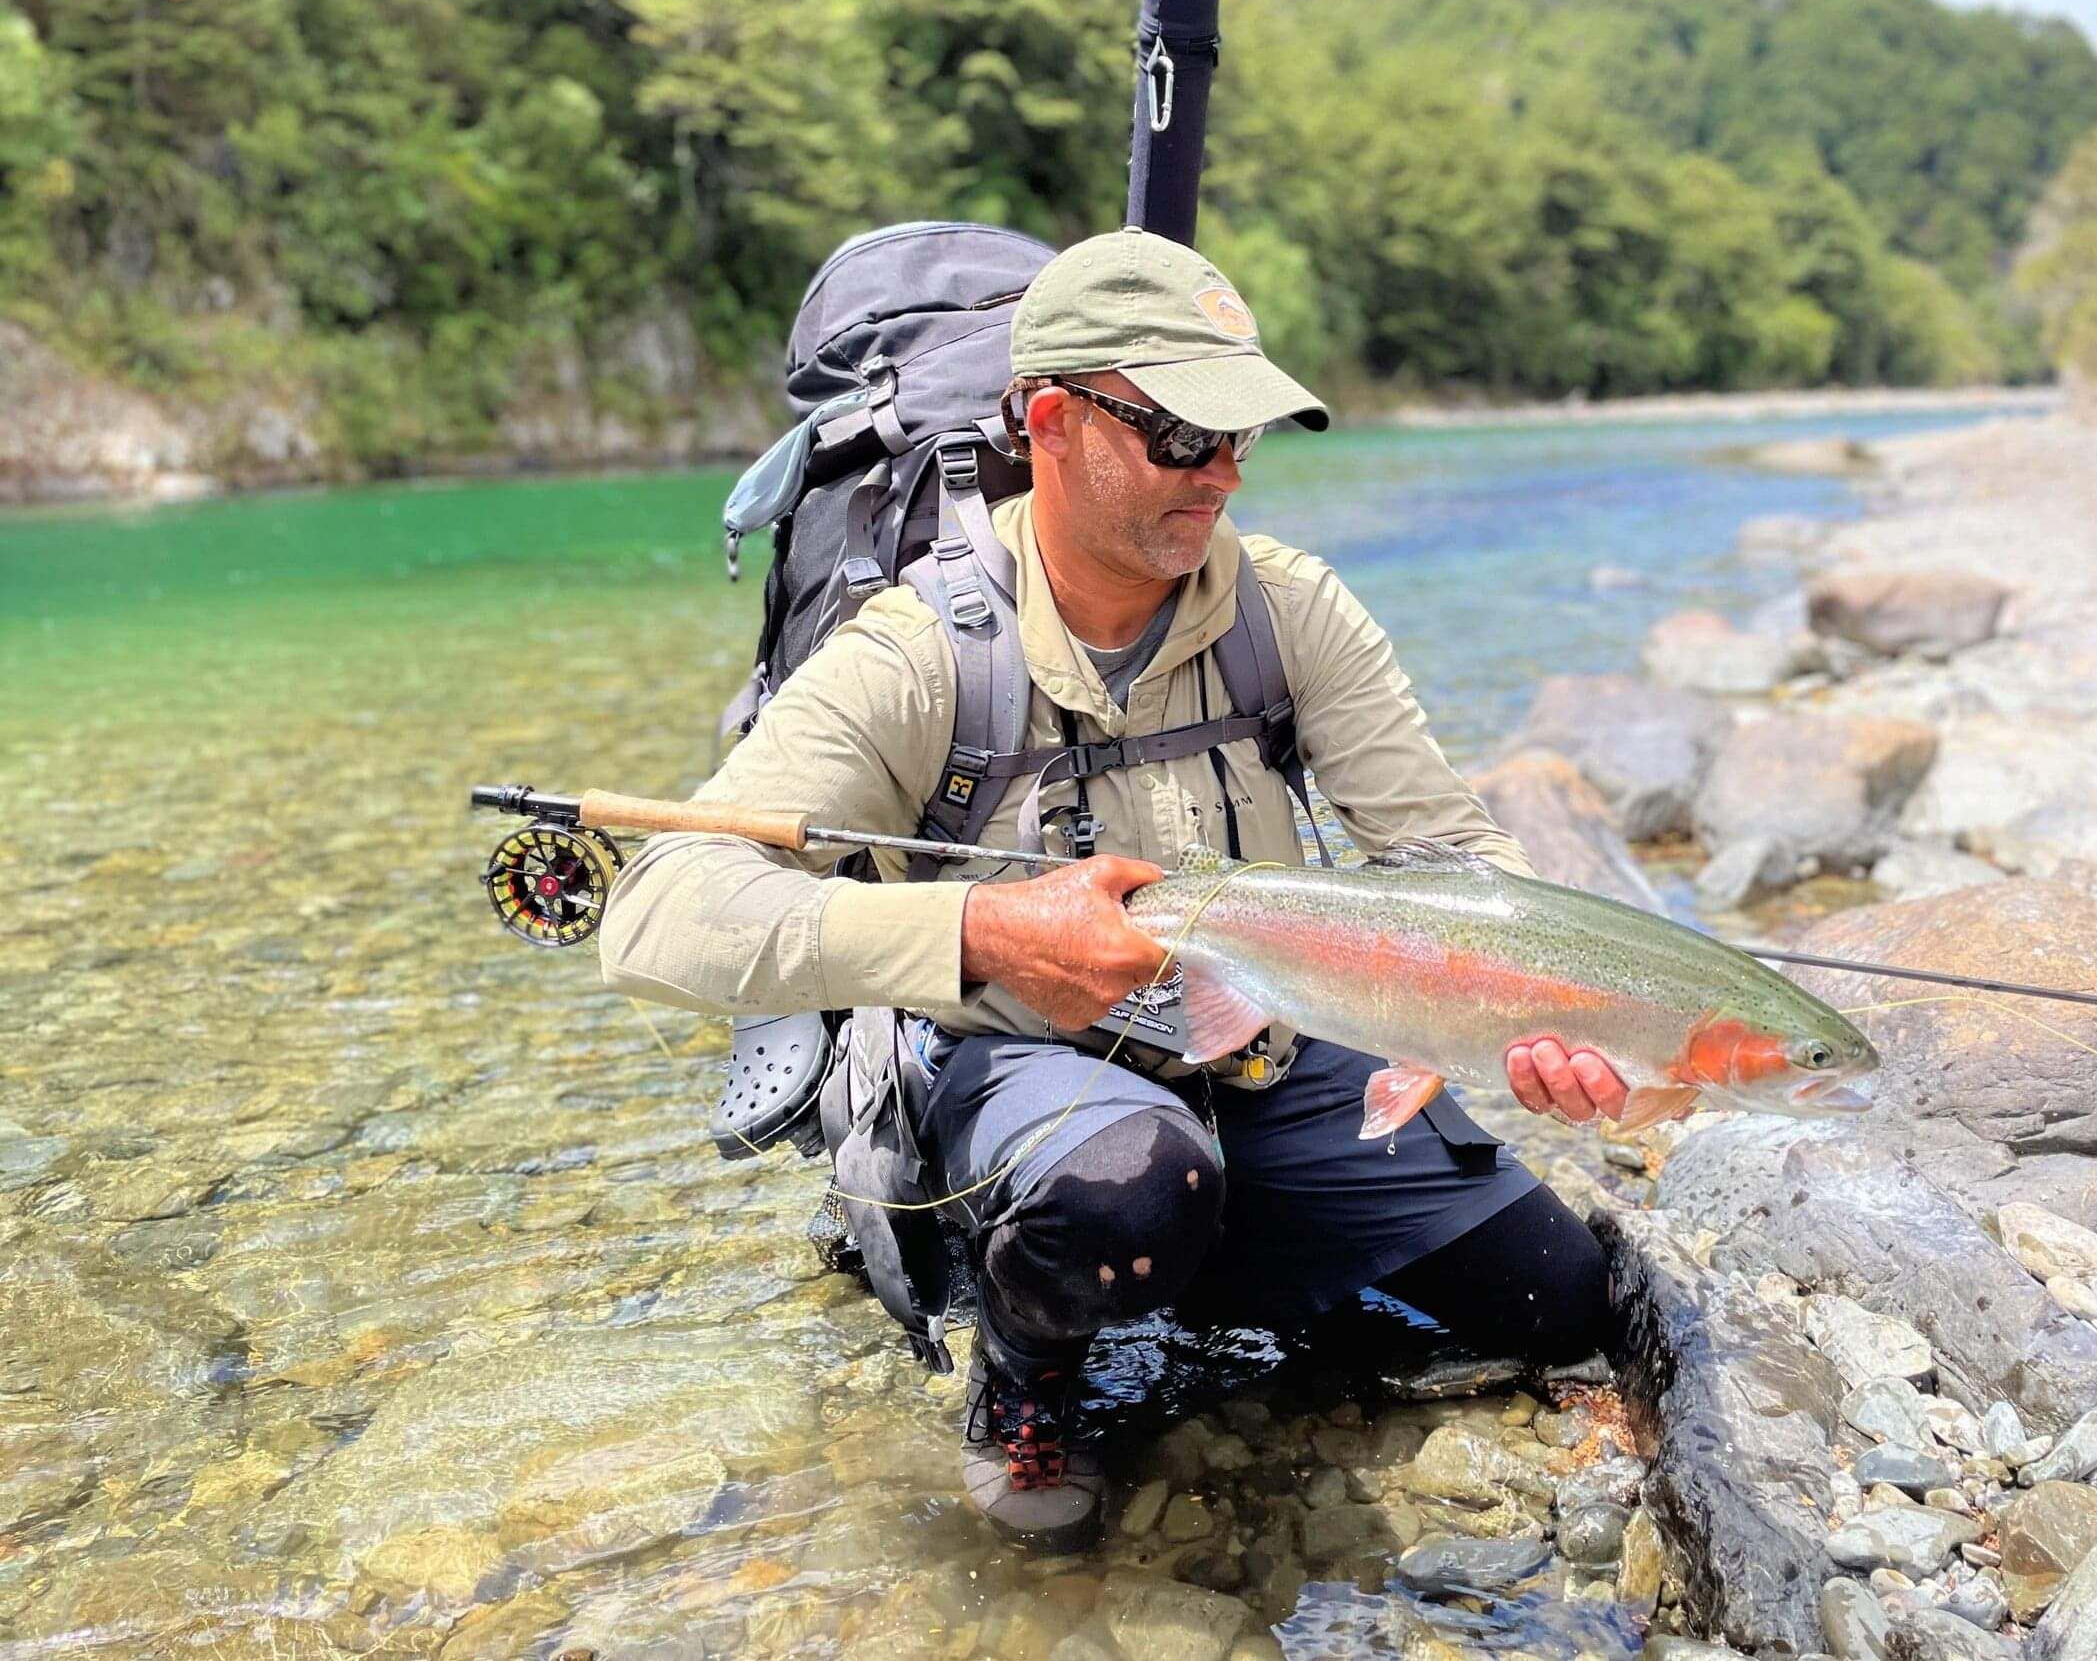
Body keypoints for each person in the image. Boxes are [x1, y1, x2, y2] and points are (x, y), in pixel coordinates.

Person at [597, 229, 1677, 1553]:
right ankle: (1027, 1381)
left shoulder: (1292, 610)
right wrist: (981, 930)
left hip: (1268, 1049)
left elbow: (1440, 855)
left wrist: (1539, 997)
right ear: (1051, 420)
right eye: (1181, 436)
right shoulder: (918, 655)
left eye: (1242, 439)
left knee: (1556, 1303)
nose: (1221, 474)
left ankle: (1220, 1260)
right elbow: (658, 912)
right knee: (1127, 1187)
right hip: (1026, 1073)